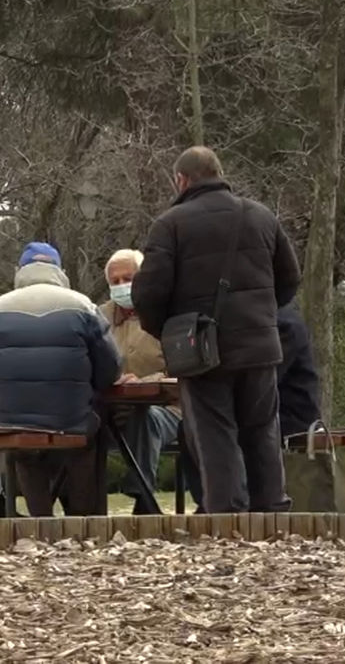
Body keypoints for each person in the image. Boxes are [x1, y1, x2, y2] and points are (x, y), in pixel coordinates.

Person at [132, 145, 301, 514]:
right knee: (262, 431)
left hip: (201, 350)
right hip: (259, 345)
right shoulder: (261, 216)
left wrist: (170, 332)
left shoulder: (171, 224)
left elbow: (149, 293)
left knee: (214, 433)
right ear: (219, 173)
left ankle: (228, 516)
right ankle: (272, 511)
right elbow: (290, 279)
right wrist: (261, 314)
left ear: (182, 179)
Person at [0, 244, 122, 517]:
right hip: (72, 419)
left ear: (19, 272)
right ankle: (84, 520)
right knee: (88, 437)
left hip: (13, 421)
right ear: (59, 272)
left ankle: (40, 518)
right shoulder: (84, 306)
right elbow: (110, 371)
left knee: (24, 449)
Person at [100, 248, 204, 514]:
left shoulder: (167, 315)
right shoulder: (98, 318)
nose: (122, 285)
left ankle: (143, 498)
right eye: (116, 281)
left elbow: (183, 368)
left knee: (145, 419)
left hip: (168, 408)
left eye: (129, 278)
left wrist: (146, 381)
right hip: (111, 408)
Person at [275, 301, 321, 439]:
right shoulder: (283, 317)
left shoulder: (284, 323)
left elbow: (264, 380)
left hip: (293, 421)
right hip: (285, 417)